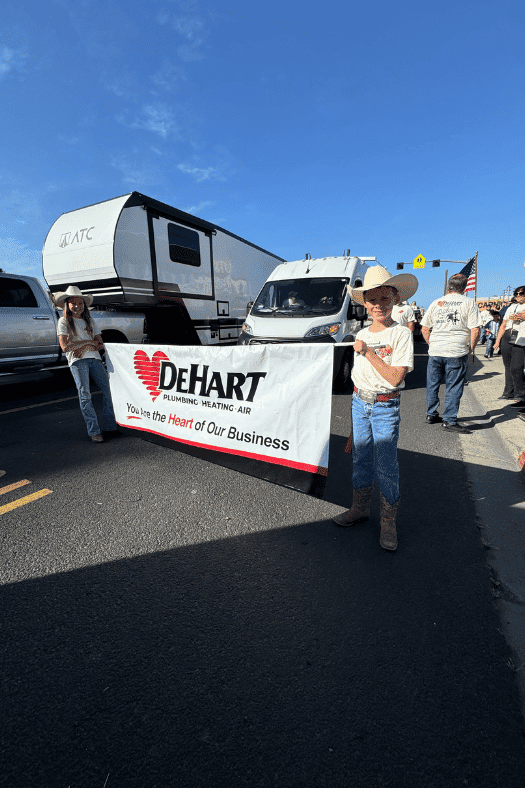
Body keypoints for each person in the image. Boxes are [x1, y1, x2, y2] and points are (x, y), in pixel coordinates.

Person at [333, 265, 417, 552]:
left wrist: (367, 351)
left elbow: (395, 377)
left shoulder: (401, 335)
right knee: (361, 460)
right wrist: (354, 423)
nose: (378, 305)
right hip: (360, 403)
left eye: (384, 298)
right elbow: (360, 379)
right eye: (372, 299)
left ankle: (389, 523)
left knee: (386, 466)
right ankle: (360, 509)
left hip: (385, 406)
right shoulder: (361, 333)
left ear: (395, 299)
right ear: (364, 303)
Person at [55, 286, 119, 443]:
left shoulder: (89, 320)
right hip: (77, 361)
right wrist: (88, 344)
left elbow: (101, 344)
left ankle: (110, 425)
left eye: (80, 303)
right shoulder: (63, 321)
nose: (77, 306)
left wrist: (81, 345)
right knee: (85, 395)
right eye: (73, 303)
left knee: (109, 391)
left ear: (84, 305)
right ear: (67, 305)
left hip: (95, 358)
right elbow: (65, 347)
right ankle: (94, 431)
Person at [421, 273, 481, 434]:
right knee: (453, 386)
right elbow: (475, 328)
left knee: (432, 384)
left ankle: (431, 414)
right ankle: (449, 420)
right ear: (463, 288)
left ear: (448, 287)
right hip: (456, 350)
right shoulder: (469, 302)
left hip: (436, 350)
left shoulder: (435, 303)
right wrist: (471, 348)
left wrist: (431, 343)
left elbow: (425, 328)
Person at [493, 287, 525, 404]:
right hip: (508, 335)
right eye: (516, 293)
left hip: (521, 337)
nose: (518, 296)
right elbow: (503, 325)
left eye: (521, 293)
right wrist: (497, 341)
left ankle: (520, 394)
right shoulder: (511, 307)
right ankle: (508, 392)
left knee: (516, 367)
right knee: (507, 366)